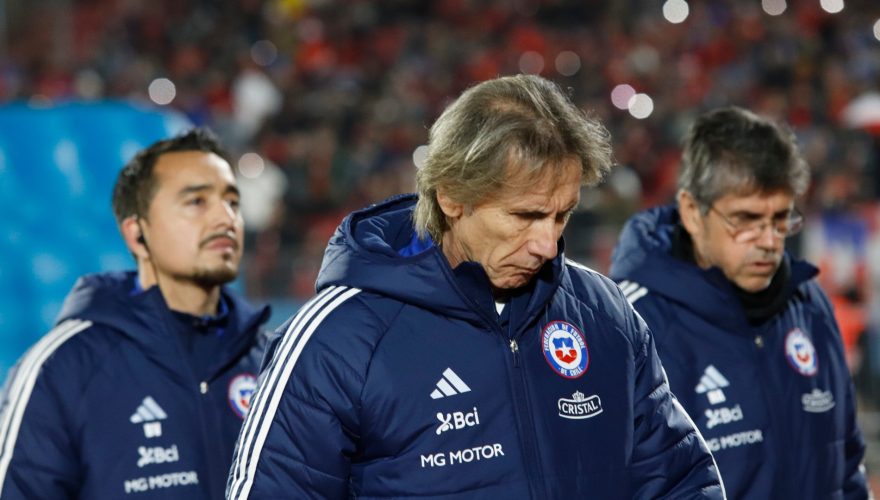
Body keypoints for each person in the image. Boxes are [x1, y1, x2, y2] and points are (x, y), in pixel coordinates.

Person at [226, 74, 724, 499]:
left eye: (562, 214)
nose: (548, 244)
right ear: (452, 198)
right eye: (525, 215)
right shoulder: (338, 339)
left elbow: (679, 480)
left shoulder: (604, 313)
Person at [609, 106, 870, 499]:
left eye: (780, 219)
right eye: (746, 220)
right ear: (693, 212)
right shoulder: (631, 323)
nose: (768, 241)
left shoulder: (809, 304)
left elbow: (847, 466)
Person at [0, 128, 271, 499]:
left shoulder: (273, 361)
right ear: (136, 235)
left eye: (232, 202)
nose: (225, 218)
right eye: (196, 202)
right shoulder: (63, 368)